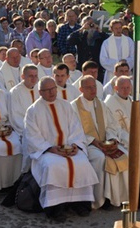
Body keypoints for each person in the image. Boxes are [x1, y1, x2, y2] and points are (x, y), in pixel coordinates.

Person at [25, 77, 98, 222]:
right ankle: (55, 207)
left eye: (54, 89)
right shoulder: (33, 110)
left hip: (68, 148)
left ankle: (80, 203)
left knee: (82, 163)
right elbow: (32, 136)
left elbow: (76, 128)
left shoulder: (65, 106)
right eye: (47, 90)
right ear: (40, 92)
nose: (52, 93)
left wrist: (75, 145)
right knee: (53, 166)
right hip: (48, 151)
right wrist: (50, 148)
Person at [72, 75, 129, 209]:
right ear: (81, 89)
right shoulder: (74, 106)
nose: (93, 90)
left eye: (94, 87)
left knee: (124, 154)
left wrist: (112, 139)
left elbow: (111, 125)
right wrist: (93, 141)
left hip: (105, 141)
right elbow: (75, 131)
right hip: (88, 145)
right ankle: (101, 199)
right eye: (89, 87)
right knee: (101, 158)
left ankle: (120, 197)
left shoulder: (101, 104)